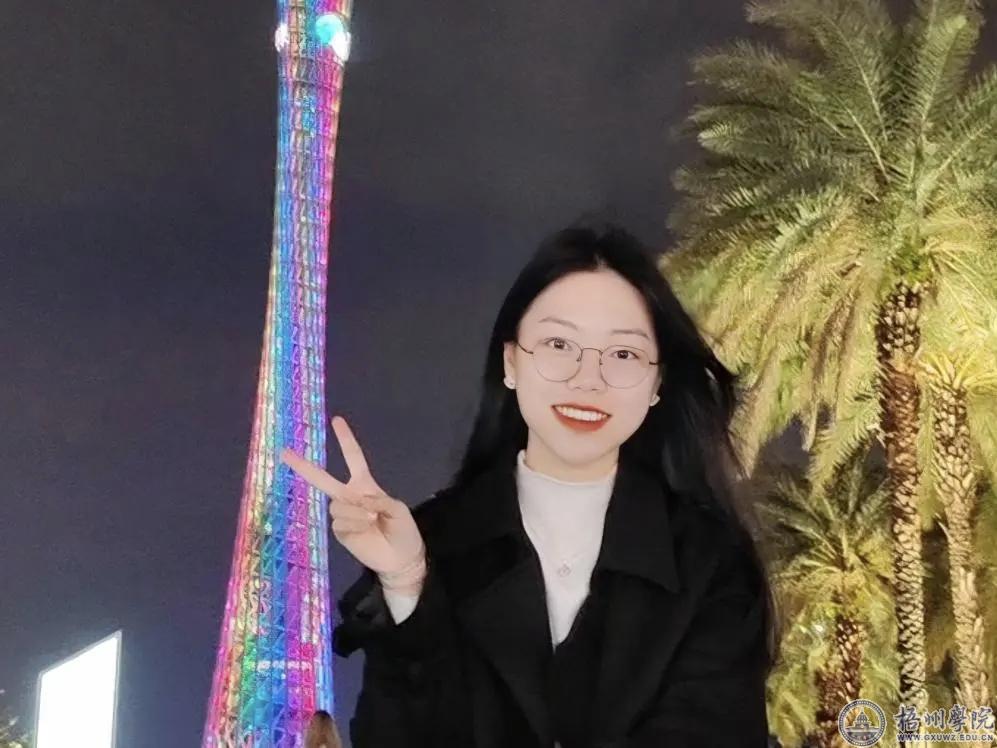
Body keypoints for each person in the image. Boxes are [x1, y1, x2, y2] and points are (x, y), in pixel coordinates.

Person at [281, 221, 781, 748]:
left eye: (623, 354)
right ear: (511, 362)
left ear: (657, 383)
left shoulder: (708, 560)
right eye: (559, 344)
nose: (588, 378)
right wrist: (407, 585)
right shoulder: (433, 545)